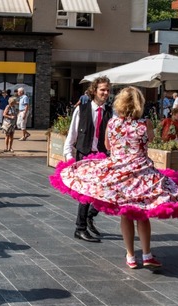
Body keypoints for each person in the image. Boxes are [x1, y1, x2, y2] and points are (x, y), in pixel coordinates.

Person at [51, 86, 178, 269]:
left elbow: (107, 145)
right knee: (143, 213)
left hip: (119, 173)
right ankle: (147, 254)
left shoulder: (112, 123)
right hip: (142, 174)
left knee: (126, 214)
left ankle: (131, 256)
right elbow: (150, 139)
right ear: (138, 104)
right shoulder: (145, 124)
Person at [61, 76, 113, 243]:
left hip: (103, 157)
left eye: (107, 90)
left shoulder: (111, 112)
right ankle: (80, 228)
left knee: (105, 193)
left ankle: (90, 217)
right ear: (94, 91)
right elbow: (72, 135)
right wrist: (69, 157)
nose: (105, 93)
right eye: (102, 90)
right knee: (86, 194)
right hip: (85, 156)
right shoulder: (82, 109)